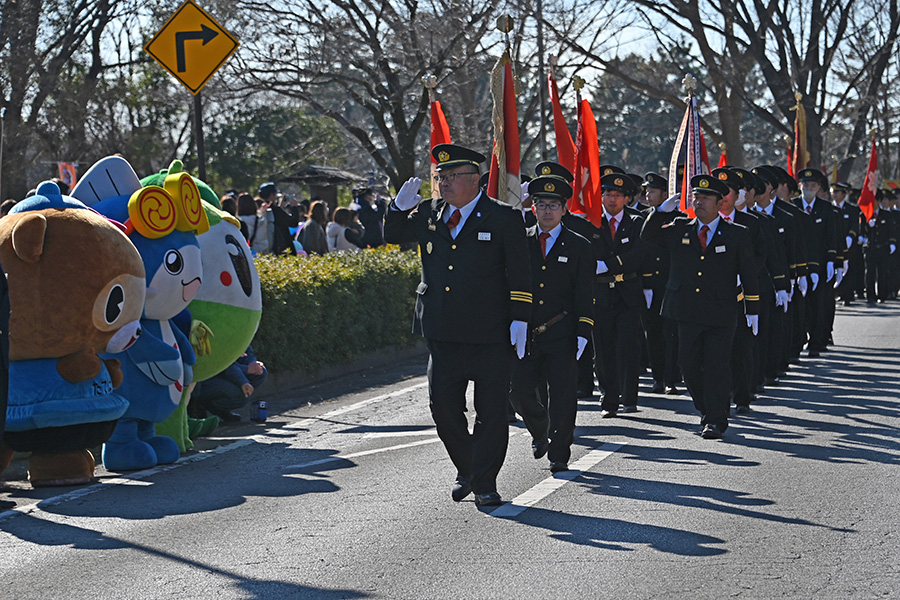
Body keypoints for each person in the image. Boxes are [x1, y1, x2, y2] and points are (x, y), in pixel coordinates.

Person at [383, 143, 531, 507]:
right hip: (442, 329)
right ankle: (467, 466)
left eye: (451, 176)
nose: (443, 183)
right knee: (443, 407)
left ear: (475, 180)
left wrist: (521, 318)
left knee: (491, 409)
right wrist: (397, 208)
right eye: (440, 177)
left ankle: (484, 482)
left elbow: (521, 272)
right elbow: (392, 235)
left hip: (490, 331)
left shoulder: (503, 217)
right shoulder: (430, 213)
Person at [641, 174, 759, 439]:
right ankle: (707, 409)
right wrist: (658, 213)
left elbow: (749, 272)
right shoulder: (680, 228)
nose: (700, 202)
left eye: (706, 198)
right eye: (696, 197)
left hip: (721, 311)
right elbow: (647, 238)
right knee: (689, 365)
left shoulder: (736, 234)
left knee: (717, 365)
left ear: (720, 202)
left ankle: (716, 419)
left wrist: (752, 309)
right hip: (686, 310)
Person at [509, 173, 594, 474]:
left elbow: (586, 291)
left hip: (563, 331)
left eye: (553, 205)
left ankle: (559, 452)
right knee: (518, 390)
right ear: (532, 208)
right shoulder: (519, 241)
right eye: (541, 204)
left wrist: (584, 329)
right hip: (526, 332)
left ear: (564, 209)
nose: (547, 210)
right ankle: (539, 429)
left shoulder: (579, 245)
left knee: (562, 396)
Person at [594, 172, 648, 417]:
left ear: (627, 198)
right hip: (601, 292)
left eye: (617, 195)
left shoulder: (637, 222)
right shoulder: (592, 222)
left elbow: (638, 255)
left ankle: (629, 396)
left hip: (627, 292)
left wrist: (609, 264)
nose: (611, 200)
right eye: (607, 194)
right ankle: (608, 398)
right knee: (603, 348)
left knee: (628, 345)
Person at [791, 168, 837, 357]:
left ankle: (817, 342)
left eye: (813, 186)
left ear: (819, 188)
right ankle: (797, 340)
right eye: (805, 185)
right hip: (798, 263)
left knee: (818, 305)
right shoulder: (792, 207)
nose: (808, 189)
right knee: (798, 305)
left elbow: (831, 237)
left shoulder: (826, 209)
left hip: (820, 263)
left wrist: (832, 261)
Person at [189, 347, 269, 423]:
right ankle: (201, 405)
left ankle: (222, 408)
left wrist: (253, 364)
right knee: (240, 396)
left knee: (261, 372)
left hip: (228, 373)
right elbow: (223, 363)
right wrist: (244, 377)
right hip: (208, 378)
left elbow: (248, 352)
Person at [258, 182, 296, 256]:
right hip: (277, 249)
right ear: (271, 195)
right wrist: (294, 207)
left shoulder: (259, 209)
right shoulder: (275, 210)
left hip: (262, 248)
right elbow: (293, 222)